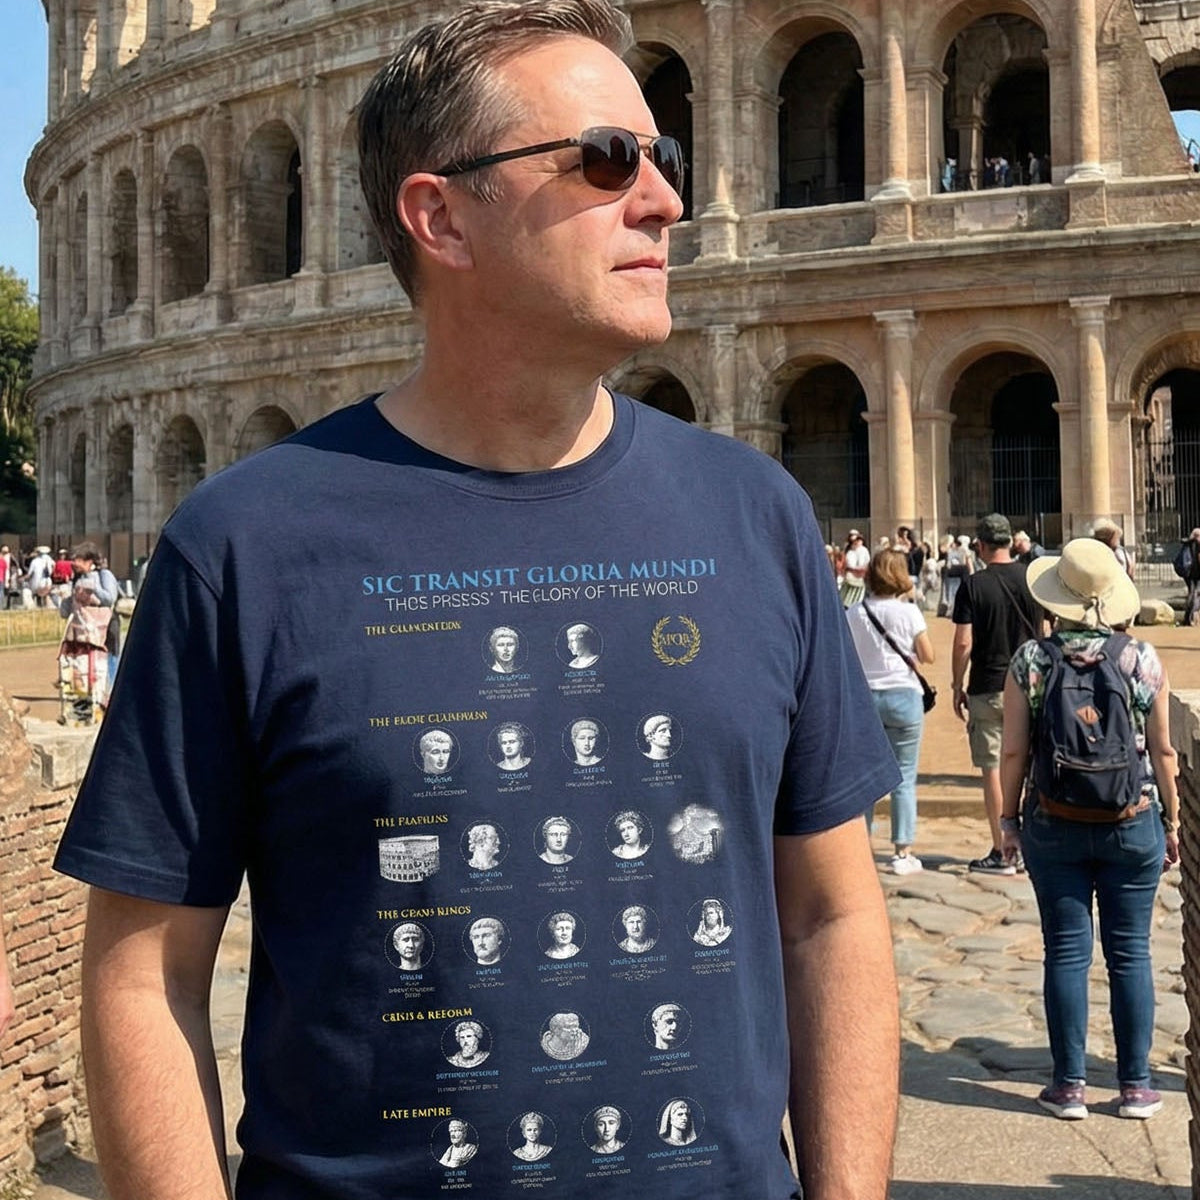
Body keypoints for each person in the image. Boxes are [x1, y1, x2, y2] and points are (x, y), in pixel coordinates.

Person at [56, 4, 900, 1197]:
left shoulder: (756, 515)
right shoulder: (244, 547)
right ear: (440, 216)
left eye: (665, 160)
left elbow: (830, 918)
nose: (665, 201)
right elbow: (145, 976)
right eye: (608, 161)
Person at [998, 538, 1180, 1121]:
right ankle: (1136, 1086)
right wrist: (1173, 821)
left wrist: (1006, 819)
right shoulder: (1142, 659)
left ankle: (1069, 1085)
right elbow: (1166, 752)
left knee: (1067, 953)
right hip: (1132, 820)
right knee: (1131, 955)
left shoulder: (1031, 659)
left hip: (1054, 820)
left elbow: (1014, 754)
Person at [952, 513, 1045, 874]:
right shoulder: (1032, 580)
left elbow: (963, 642)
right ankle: (1035, 844)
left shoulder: (974, 585)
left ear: (980, 546)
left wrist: (956, 684)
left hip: (988, 685)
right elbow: (1047, 628)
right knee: (1032, 763)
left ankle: (1002, 849)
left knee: (992, 767)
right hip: (1030, 683)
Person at [845, 549, 935, 873]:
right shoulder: (909, 613)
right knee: (904, 777)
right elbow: (928, 656)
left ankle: (861, 850)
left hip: (865, 698)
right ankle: (902, 852)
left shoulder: (854, 612)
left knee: (864, 779)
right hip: (903, 696)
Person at [57, 543, 119, 726]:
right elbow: (68, 609)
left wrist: (93, 588)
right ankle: (83, 713)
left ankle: (110, 703)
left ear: (89, 561)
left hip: (104, 629)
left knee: (106, 666)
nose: (74, 563)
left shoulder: (104, 575)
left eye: (77, 560)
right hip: (82, 632)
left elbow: (110, 598)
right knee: (82, 671)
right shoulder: (77, 579)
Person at [1175, 527, 1200, 626]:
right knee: (1196, 595)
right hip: (1197, 574)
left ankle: (1187, 618)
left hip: (1188, 574)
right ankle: (1191, 617)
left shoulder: (1187, 544)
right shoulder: (1198, 545)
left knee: (1192, 593)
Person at [839, 529, 869, 606]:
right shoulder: (849, 551)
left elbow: (867, 561)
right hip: (850, 578)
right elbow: (845, 563)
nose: (857, 542)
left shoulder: (864, 550)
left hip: (860, 577)